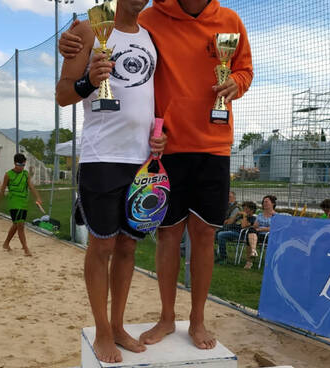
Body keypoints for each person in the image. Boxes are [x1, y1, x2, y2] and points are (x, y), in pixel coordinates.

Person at [60, 0, 253, 350]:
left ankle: (190, 321)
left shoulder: (225, 20)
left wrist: (235, 84)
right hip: (153, 150)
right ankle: (152, 320)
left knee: (189, 237)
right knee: (154, 236)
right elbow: (81, 62)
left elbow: (244, 71)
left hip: (195, 147)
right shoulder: (142, 19)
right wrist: (71, 43)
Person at [55, 0, 166, 363]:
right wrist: (89, 80)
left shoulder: (150, 37)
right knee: (100, 248)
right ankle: (102, 330)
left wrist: (159, 135)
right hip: (102, 158)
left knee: (128, 249)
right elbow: (63, 94)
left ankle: (119, 325)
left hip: (140, 161)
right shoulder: (88, 28)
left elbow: (147, 99)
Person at [0, 153, 42, 257]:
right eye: (19, 164)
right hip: (14, 203)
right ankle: (25, 248)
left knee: (17, 224)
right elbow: (2, 190)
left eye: (23, 165)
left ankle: (6, 243)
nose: (21, 167)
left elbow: (31, 187)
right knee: (20, 225)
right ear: (14, 163)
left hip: (24, 203)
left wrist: (38, 197)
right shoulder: (8, 174)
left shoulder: (25, 174)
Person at [245, 195, 276, 269]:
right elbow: (255, 226)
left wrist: (261, 229)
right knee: (251, 230)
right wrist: (255, 227)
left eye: (266, 202)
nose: (264, 203)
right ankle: (251, 258)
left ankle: (253, 253)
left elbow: (273, 228)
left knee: (251, 235)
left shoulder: (276, 216)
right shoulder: (260, 215)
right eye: (263, 202)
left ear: (273, 204)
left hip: (269, 236)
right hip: (256, 235)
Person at [215, 191, 242, 263]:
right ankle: (213, 254)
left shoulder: (235, 208)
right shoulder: (225, 206)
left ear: (234, 198)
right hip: (224, 228)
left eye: (229, 197)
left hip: (234, 230)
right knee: (208, 233)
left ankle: (223, 258)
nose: (227, 199)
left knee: (220, 235)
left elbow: (230, 222)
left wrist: (224, 221)